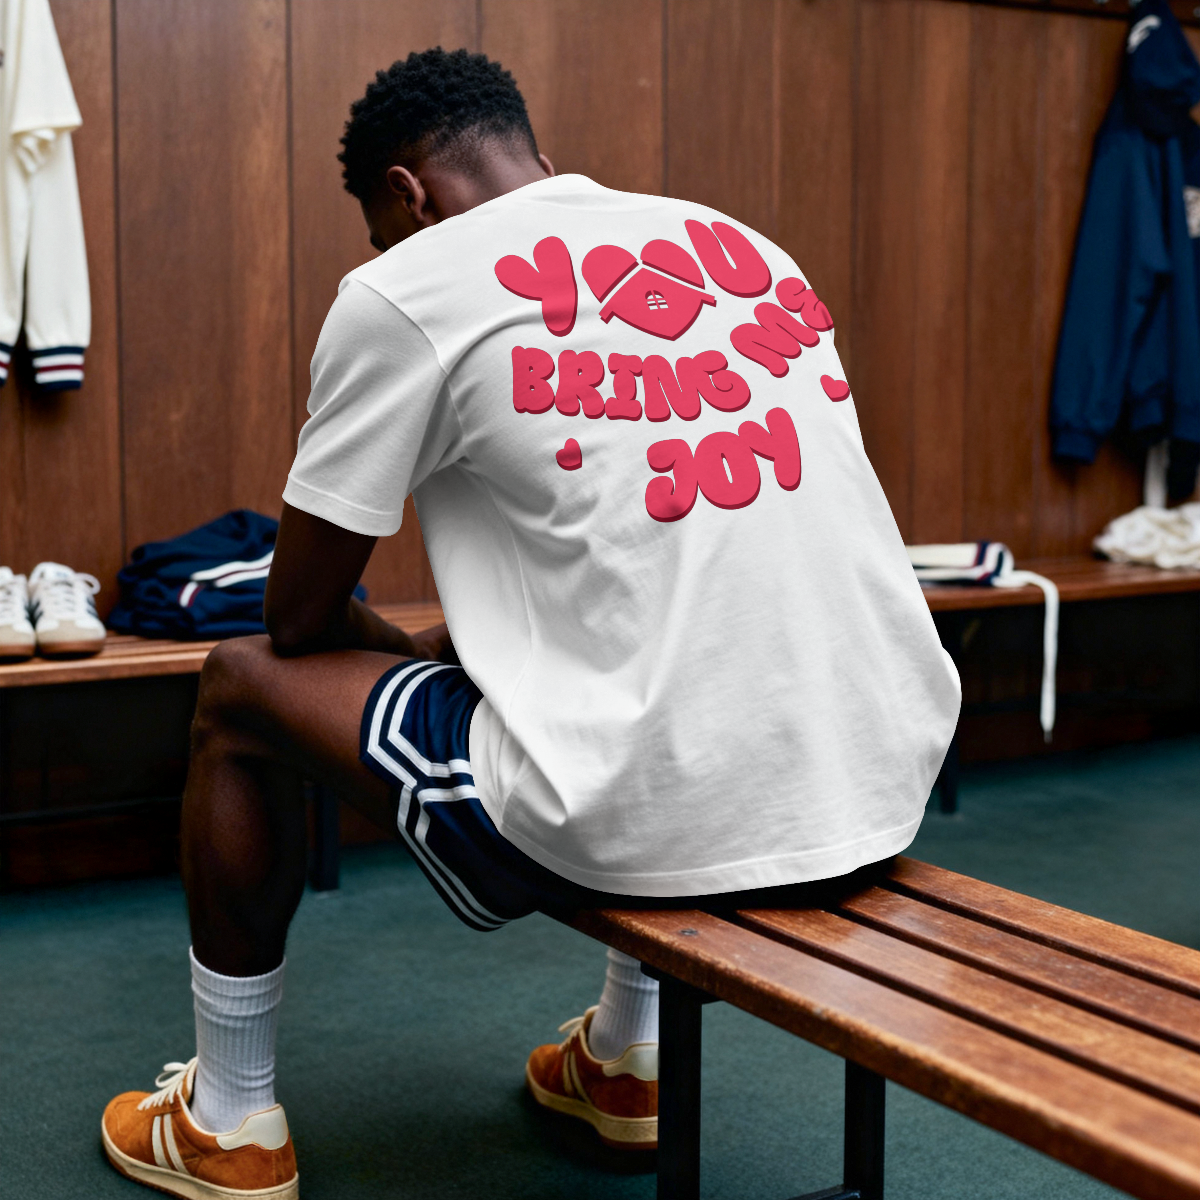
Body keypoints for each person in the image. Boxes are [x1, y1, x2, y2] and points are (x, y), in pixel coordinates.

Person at [99, 48, 960, 1200]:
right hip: (876, 772)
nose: (385, 254)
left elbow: (296, 618)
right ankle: (625, 1060)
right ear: (541, 160)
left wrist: (400, 662)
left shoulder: (409, 286)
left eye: (379, 229)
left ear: (406, 195)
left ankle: (227, 1117)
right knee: (590, 656)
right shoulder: (739, 245)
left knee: (239, 684)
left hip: (660, 809)